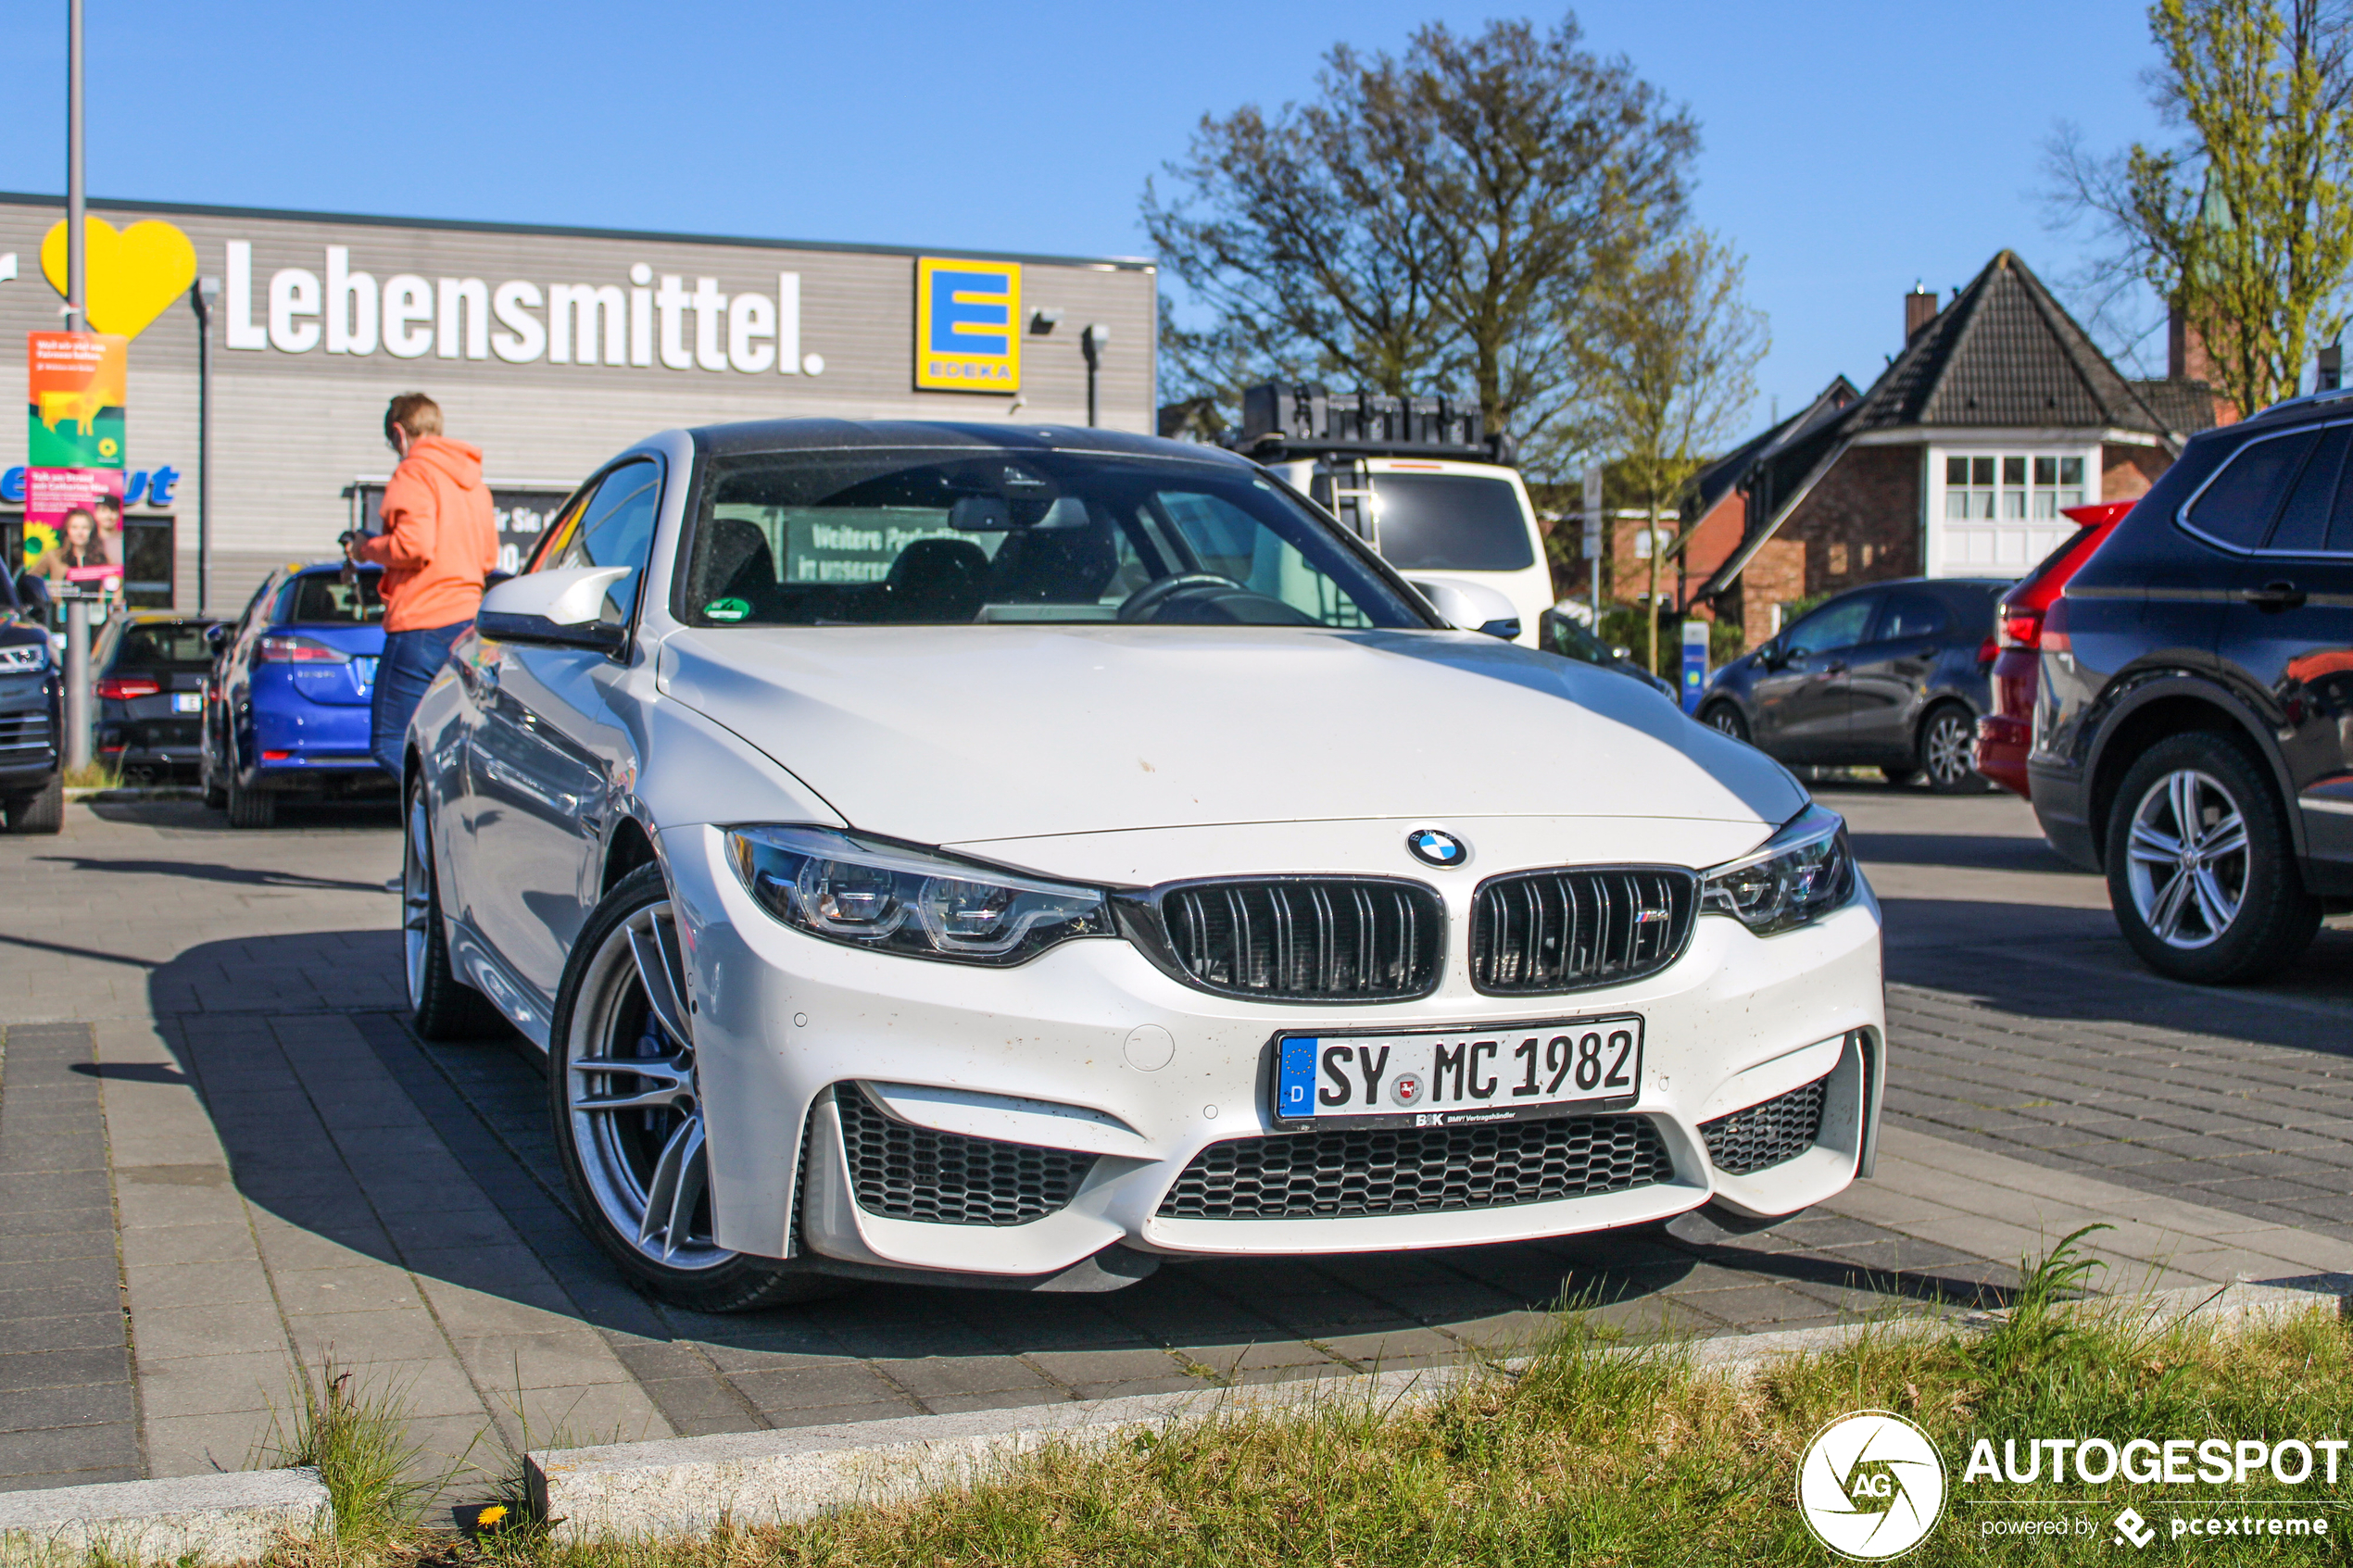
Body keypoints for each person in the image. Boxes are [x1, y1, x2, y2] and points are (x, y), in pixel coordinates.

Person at [348, 393, 497, 788]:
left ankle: (440, 812)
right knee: (445, 738)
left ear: (399, 433)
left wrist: (365, 548)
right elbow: (487, 557)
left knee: (389, 741)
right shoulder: (473, 481)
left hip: (421, 623)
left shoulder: (413, 472)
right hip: (467, 624)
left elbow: (412, 545)